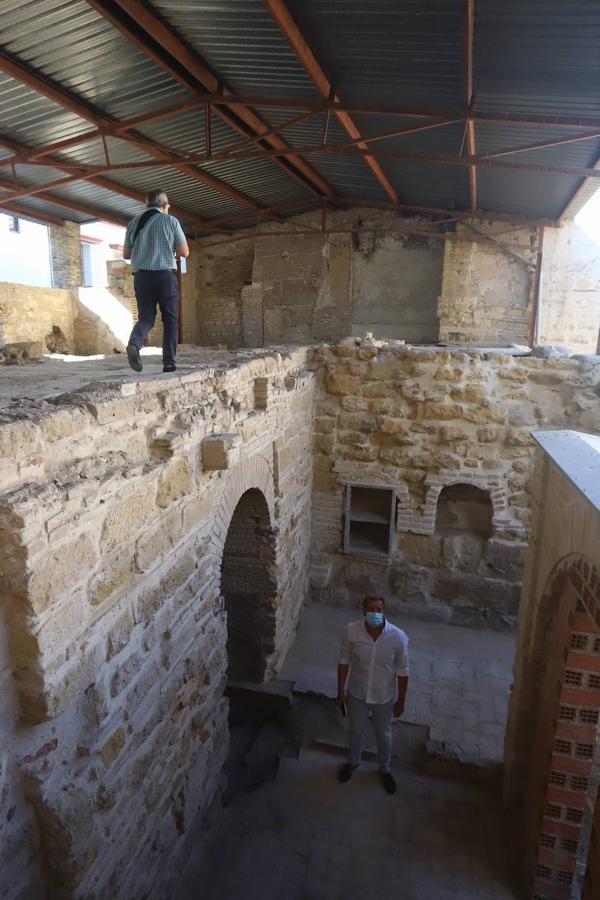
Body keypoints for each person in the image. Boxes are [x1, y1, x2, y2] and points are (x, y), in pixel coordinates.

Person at [337, 596, 409, 794]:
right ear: (363, 611)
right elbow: (344, 661)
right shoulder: (352, 631)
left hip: (384, 696)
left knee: (383, 734)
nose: (375, 613)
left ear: (384, 611)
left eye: (379, 609)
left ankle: (385, 769)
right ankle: (353, 762)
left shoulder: (398, 637)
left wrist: (401, 700)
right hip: (357, 693)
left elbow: (403, 671)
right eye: (371, 609)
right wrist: (340, 691)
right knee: (355, 730)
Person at [123, 190, 189, 374]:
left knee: (146, 317)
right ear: (165, 205)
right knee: (170, 319)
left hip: (142, 277)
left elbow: (126, 255)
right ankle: (169, 363)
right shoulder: (170, 221)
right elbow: (184, 252)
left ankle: (135, 344)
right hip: (164, 276)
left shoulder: (134, 223)